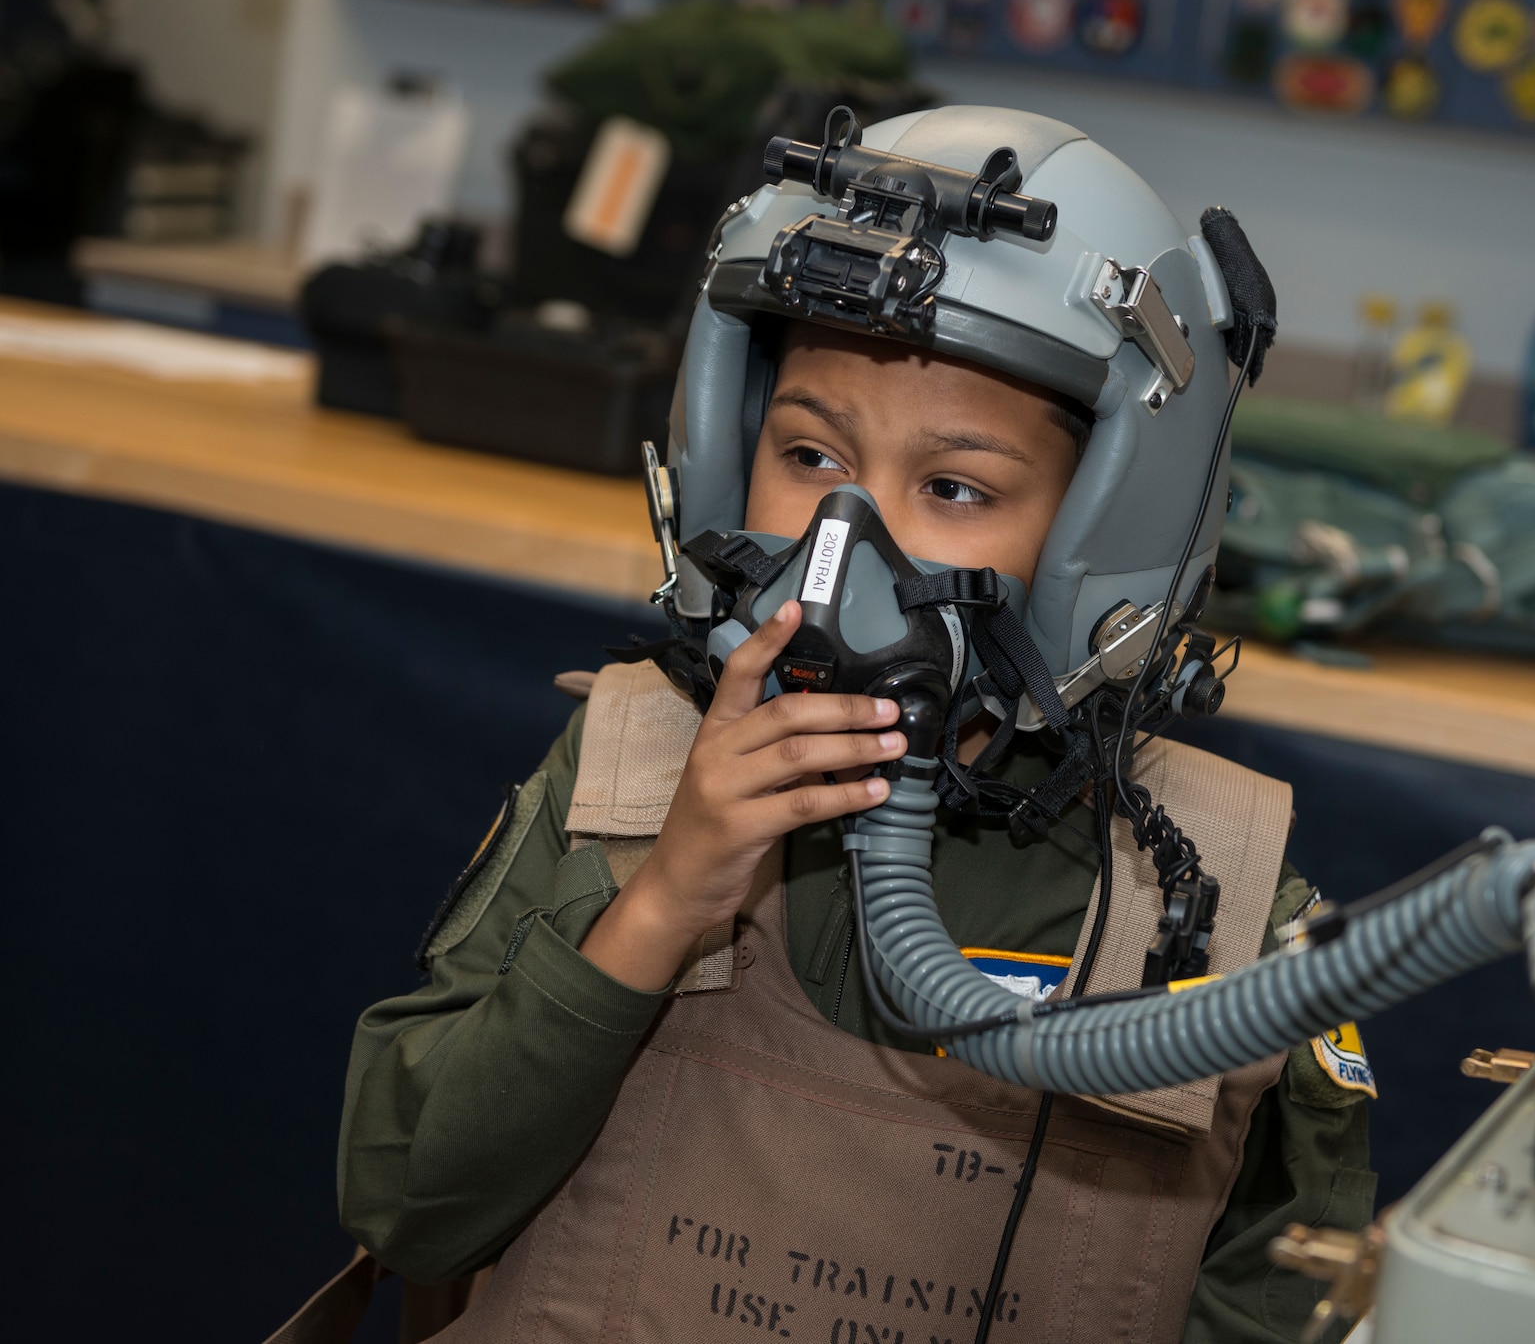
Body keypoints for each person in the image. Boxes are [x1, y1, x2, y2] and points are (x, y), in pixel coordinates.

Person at [337, 107, 1376, 1344]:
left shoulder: (1223, 917)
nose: (843, 550)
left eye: (952, 489)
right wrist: (662, 898)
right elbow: (405, 1209)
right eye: (810, 456)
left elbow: (1284, 1304)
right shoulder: (631, 778)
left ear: (1109, 539)